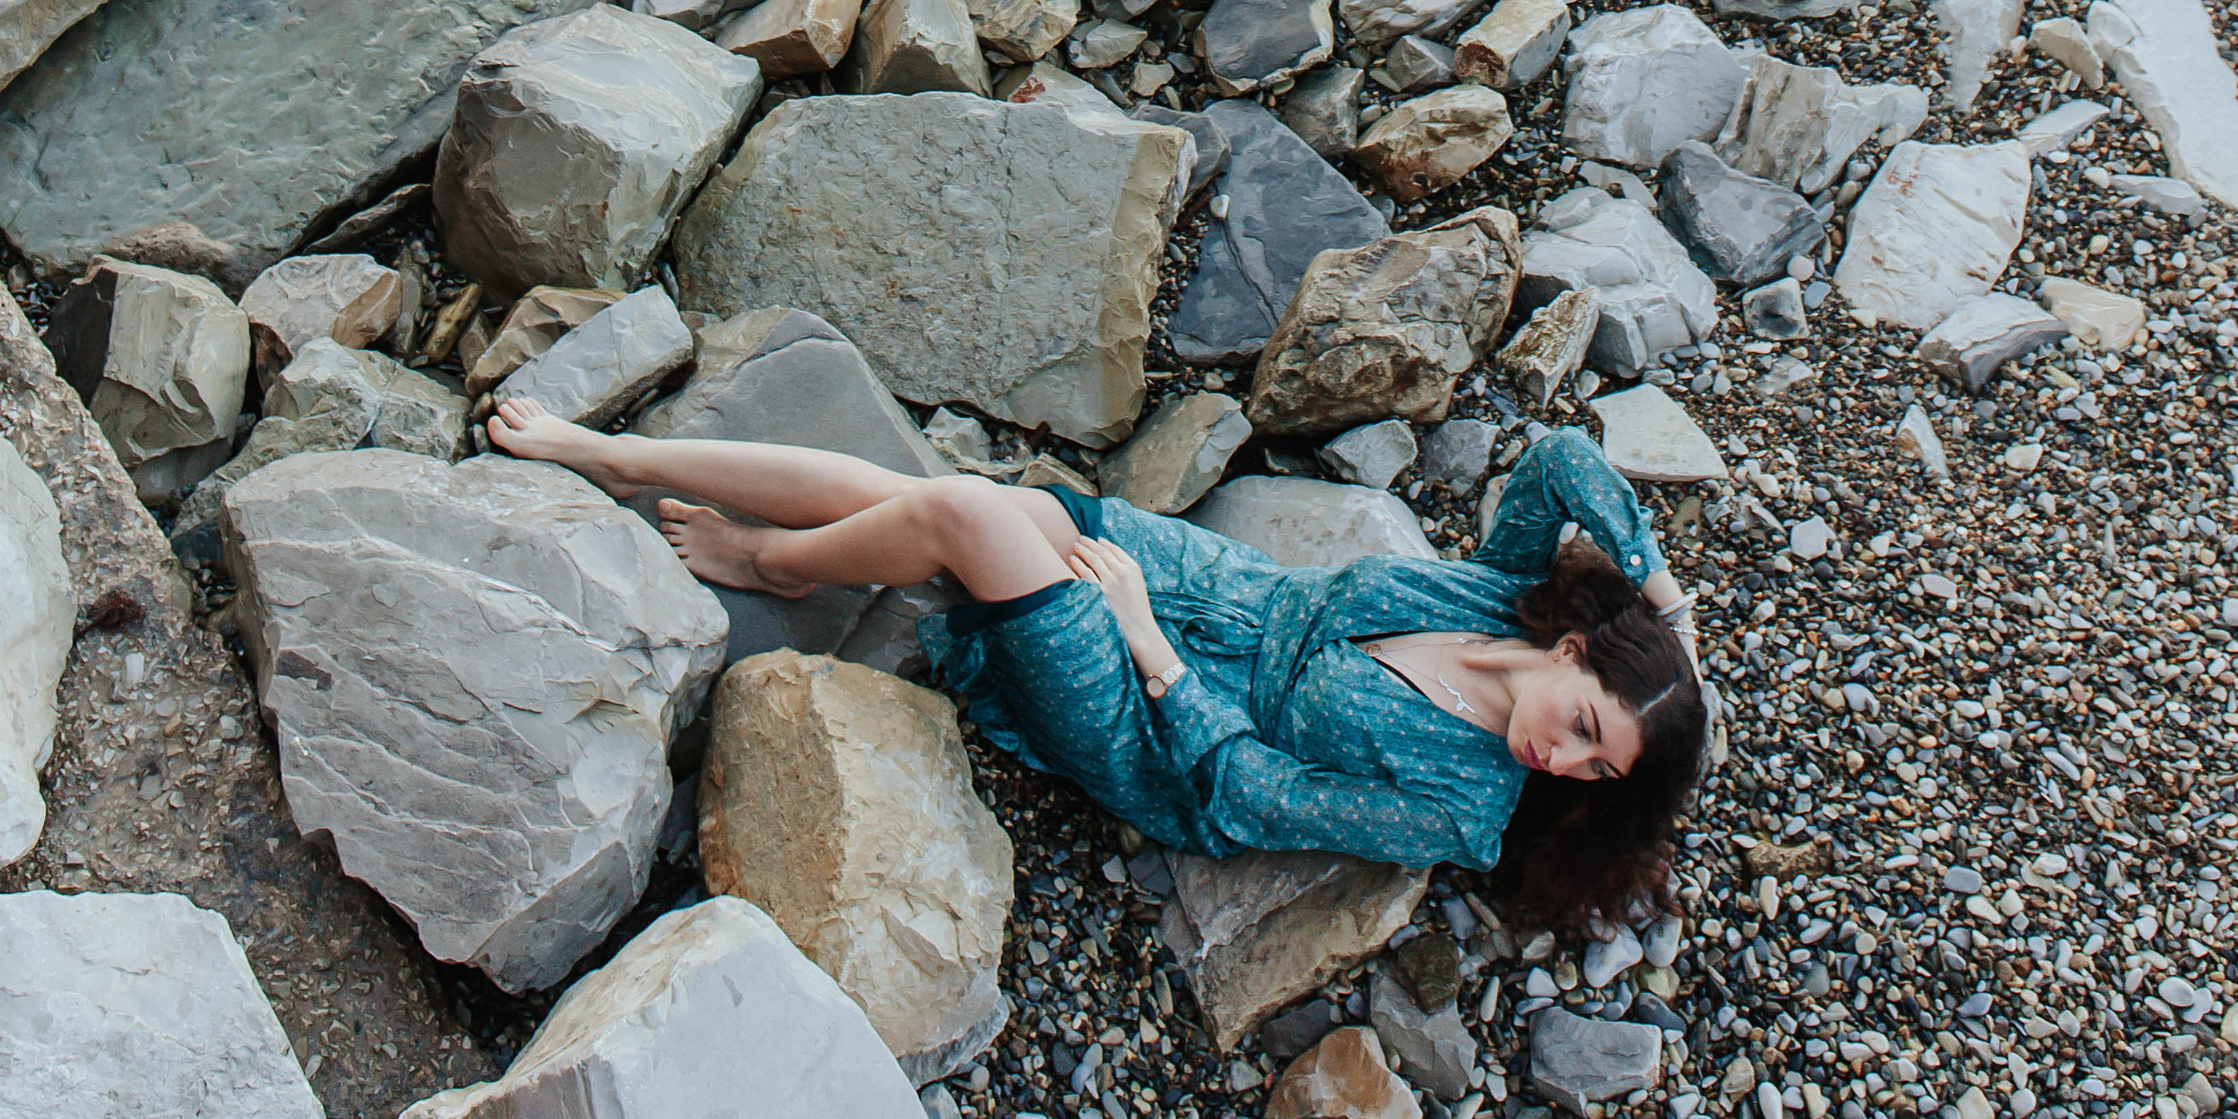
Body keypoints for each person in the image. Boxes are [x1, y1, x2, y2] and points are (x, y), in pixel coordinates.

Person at [490, 398, 1708, 934]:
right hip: (1201, 583)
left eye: (1596, 772)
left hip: (1160, 725)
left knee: (966, 520)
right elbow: (1557, 458)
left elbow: (1248, 795)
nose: (1567, 760)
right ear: (1572, 649)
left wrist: (1141, 638)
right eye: (1589, 724)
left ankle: (769, 555)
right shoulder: (1501, 592)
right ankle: (624, 453)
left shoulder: (1467, 805)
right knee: (943, 501)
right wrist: (1657, 586)